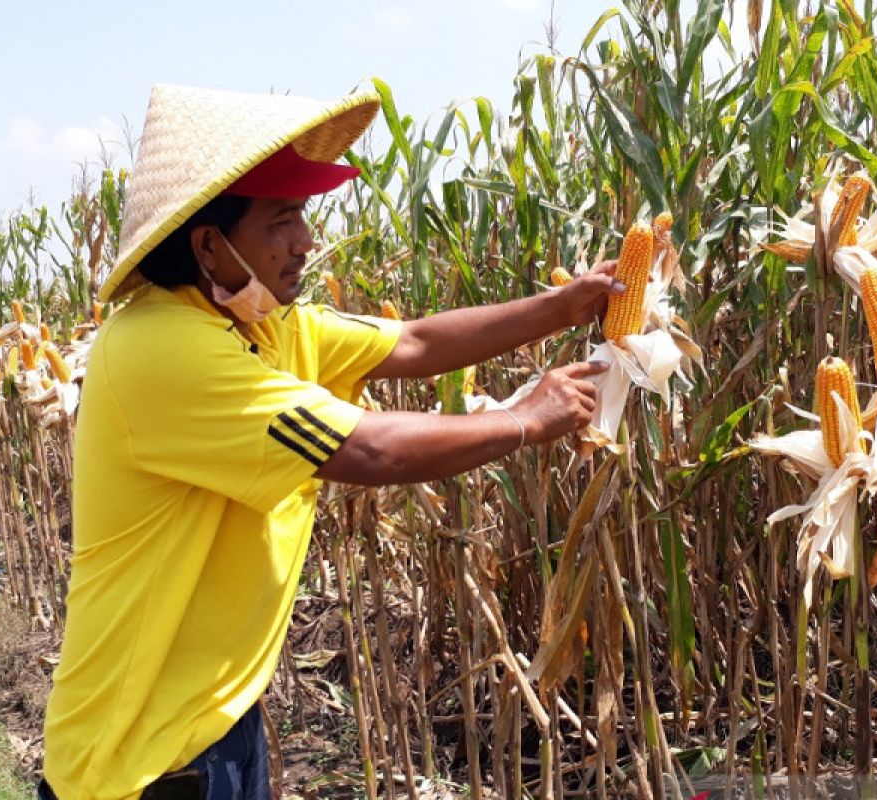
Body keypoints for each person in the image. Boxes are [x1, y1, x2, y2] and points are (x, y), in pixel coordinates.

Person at [38, 83, 622, 800]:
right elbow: (368, 451)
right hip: (142, 760)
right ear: (210, 245)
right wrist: (525, 419)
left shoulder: (267, 322)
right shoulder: (161, 347)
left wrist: (564, 304)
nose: (307, 243)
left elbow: (412, 341)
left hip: (220, 722)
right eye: (284, 221)